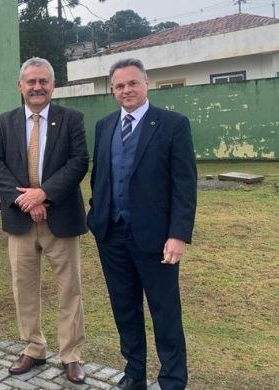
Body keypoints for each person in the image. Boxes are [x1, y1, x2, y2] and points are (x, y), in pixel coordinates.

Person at [87, 58, 196, 390]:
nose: (126, 90)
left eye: (132, 83)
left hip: (156, 239)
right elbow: (100, 178)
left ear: (146, 83)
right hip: (112, 235)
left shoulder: (172, 124)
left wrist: (178, 234)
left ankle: (173, 379)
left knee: (164, 312)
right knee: (125, 308)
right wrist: (96, 217)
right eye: (119, 86)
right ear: (112, 90)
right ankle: (134, 373)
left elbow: (184, 185)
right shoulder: (104, 126)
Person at [0, 57, 89, 384]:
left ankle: (71, 354)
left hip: (61, 218)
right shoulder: (3, 122)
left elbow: (78, 163)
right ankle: (33, 347)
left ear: (52, 85)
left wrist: (42, 194)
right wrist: (24, 200)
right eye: (30, 81)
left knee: (69, 290)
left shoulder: (71, 119)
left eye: (43, 81)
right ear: (20, 86)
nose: (37, 87)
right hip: (20, 220)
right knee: (23, 289)